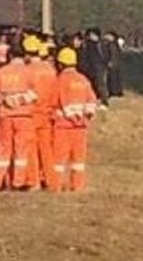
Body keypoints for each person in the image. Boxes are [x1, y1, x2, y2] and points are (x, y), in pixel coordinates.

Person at [0, 42, 37, 191]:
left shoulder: (1, 72)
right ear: (24, 56)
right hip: (24, 116)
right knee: (21, 150)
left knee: (3, 149)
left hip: (5, 115)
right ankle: (18, 181)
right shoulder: (29, 72)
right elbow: (35, 94)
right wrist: (19, 100)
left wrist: (6, 100)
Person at [53, 47, 98, 192]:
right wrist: (85, 117)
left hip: (63, 126)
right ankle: (77, 186)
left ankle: (56, 186)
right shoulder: (83, 80)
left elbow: (60, 101)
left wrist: (70, 116)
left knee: (59, 160)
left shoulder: (60, 80)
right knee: (78, 160)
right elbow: (92, 100)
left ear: (60, 64)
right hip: (81, 128)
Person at [25, 35, 59, 192]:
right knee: (47, 148)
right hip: (48, 113)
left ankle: (34, 181)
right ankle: (51, 180)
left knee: (31, 149)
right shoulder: (51, 70)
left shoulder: (28, 71)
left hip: (32, 113)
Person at [105, 30, 124, 98]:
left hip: (113, 64)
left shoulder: (112, 45)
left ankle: (114, 92)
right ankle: (117, 91)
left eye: (108, 35)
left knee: (113, 78)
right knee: (116, 78)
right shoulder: (114, 44)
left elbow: (113, 54)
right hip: (116, 63)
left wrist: (111, 61)